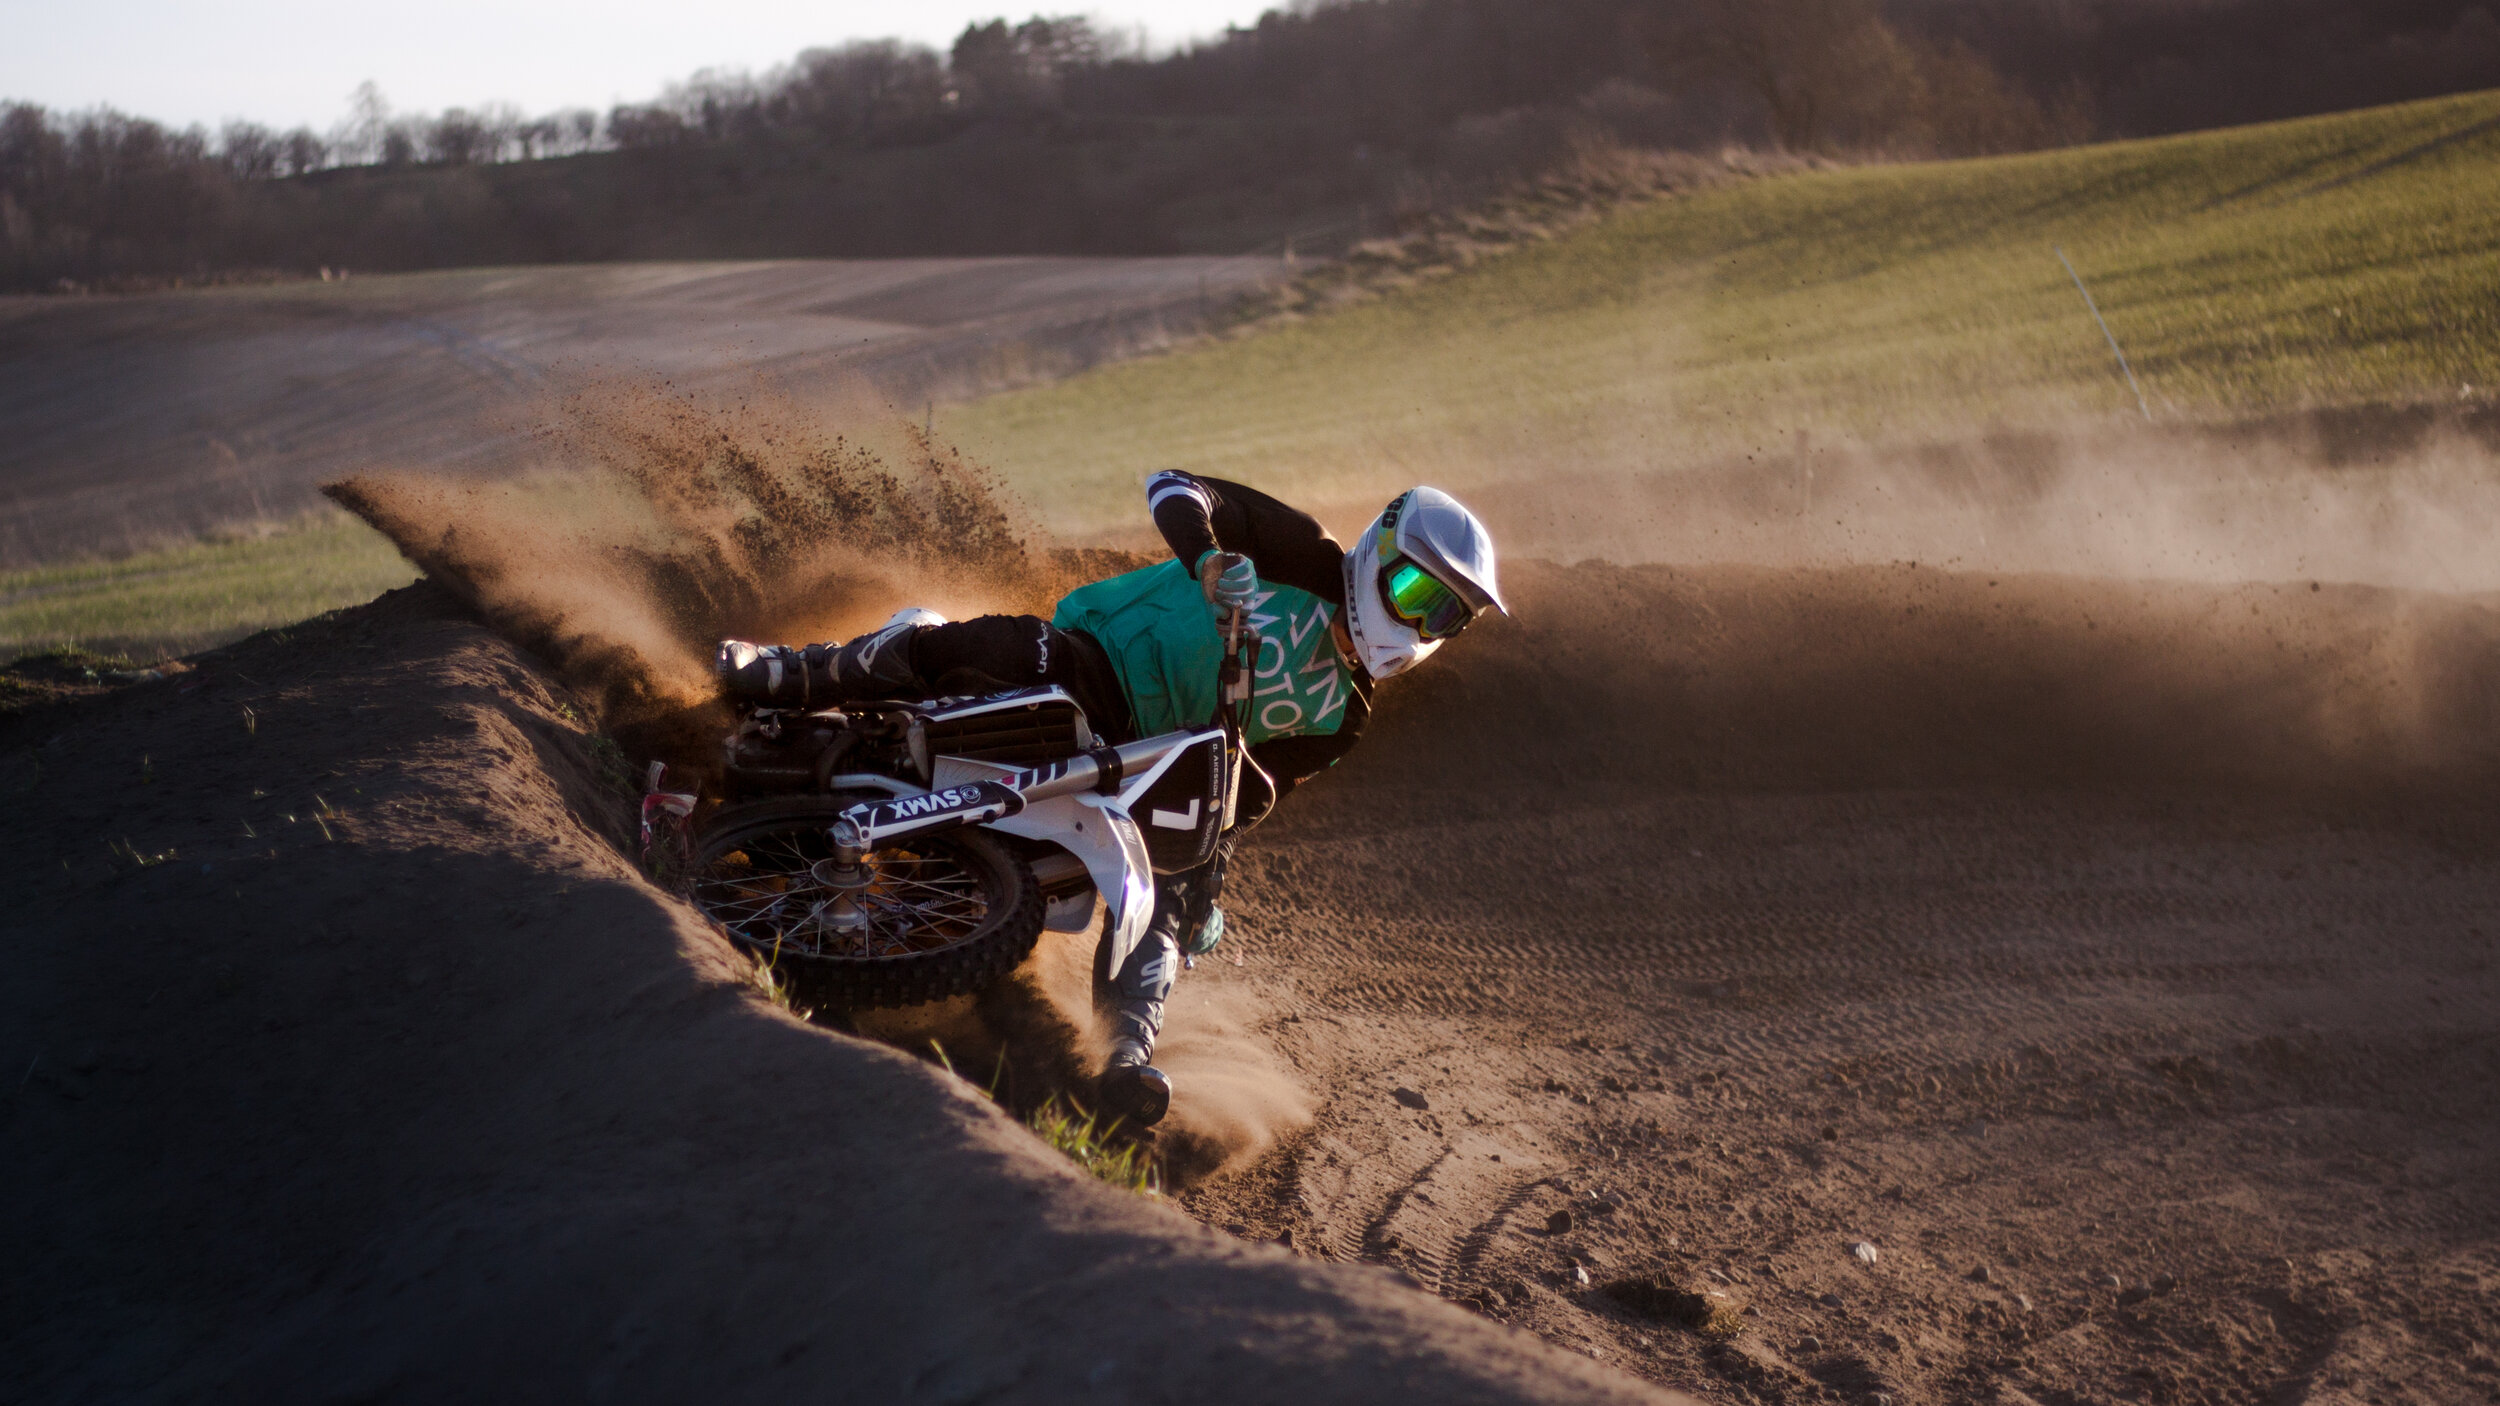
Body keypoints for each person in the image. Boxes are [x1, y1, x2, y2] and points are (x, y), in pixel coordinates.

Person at [716, 471, 1506, 1125]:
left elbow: (1261, 791)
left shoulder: (1344, 720)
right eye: (1412, 588)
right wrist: (1204, 558)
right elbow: (1175, 487)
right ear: (1380, 550)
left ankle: (1125, 1051)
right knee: (1003, 645)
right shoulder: (1303, 553)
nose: (1419, 620)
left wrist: (1210, 867)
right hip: (1099, 669)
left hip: (1152, 770)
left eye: (1444, 614)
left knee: (1166, 892)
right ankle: (803, 671)